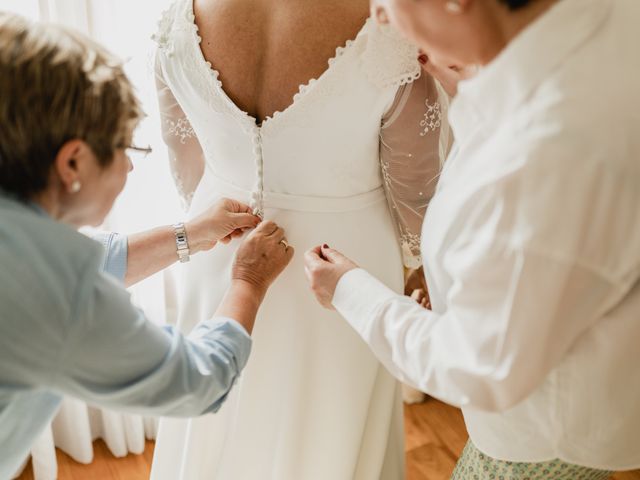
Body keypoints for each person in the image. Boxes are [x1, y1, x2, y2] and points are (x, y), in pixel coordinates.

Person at [304, 0, 640, 478]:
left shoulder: (540, 161)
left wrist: (352, 291)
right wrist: (478, 81)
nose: (377, 14)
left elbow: (480, 365)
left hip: (540, 437)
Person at [149, 0, 449, 478]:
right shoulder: (389, 22)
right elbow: (416, 183)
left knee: (219, 409)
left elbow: (183, 156)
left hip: (222, 242)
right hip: (344, 264)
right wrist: (419, 261)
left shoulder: (182, 12)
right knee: (333, 429)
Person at [0, 12, 294, 479]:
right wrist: (248, 280)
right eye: (124, 149)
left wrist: (190, 234)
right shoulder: (56, 293)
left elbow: (92, 261)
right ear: (72, 162)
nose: (130, 170)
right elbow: (196, 381)